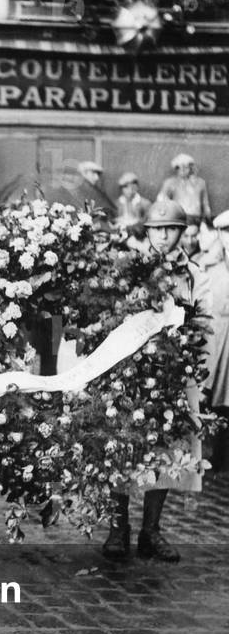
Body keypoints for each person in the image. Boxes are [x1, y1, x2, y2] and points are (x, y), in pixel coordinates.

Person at [101, 200, 210, 563]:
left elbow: (198, 320)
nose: (163, 235)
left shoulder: (190, 272)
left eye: (171, 228)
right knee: (121, 444)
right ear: (146, 231)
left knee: (166, 446)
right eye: (157, 228)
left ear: (182, 232)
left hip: (171, 370)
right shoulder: (129, 266)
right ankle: (119, 528)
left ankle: (152, 530)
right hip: (128, 368)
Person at [204, 209, 229, 473]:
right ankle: (209, 455)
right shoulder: (209, 265)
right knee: (210, 396)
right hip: (214, 339)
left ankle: (222, 456)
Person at [159, 154, 211, 226]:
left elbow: (205, 204)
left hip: (196, 219)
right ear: (176, 169)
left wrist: (206, 220)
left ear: (190, 168)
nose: (183, 170)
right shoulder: (170, 182)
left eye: (186, 167)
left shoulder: (200, 183)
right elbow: (161, 200)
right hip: (178, 218)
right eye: (179, 168)